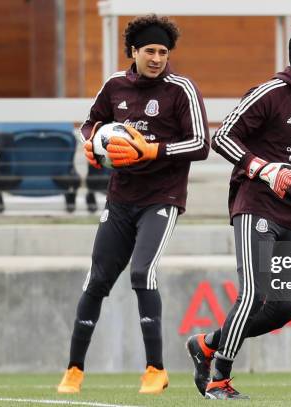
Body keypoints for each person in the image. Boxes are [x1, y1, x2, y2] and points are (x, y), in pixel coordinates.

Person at [186, 25, 291, 399]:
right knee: (253, 294)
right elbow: (221, 137)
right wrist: (263, 168)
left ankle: (207, 344)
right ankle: (219, 379)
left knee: (284, 308)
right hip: (256, 206)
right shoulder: (271, 92)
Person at [57, 14, 209, 395]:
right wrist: (91, 144)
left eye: (163, 51)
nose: (157, 58)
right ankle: (73, 370)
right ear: (133, 52)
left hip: (162, 198)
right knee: (96, 280)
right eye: (149, 51)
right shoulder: (114, 86)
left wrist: (151, 148)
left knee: (142, 273)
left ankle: (155, 370)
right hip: (121, 198)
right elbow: (89, 124)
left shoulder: (181, 90)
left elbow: (201, 144)